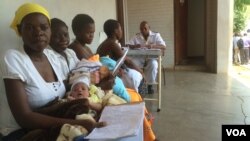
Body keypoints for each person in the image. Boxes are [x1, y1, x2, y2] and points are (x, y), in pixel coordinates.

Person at [0, 3, 105, 141]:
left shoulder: (52, 57)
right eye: (30, 28)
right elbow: (24, 118)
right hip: (22, 133)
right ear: (20, 30)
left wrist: (94, 86)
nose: (38, 32)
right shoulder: (13, 58)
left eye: (44, 27)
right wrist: (78, 123)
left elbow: (69, 84)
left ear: (49, 30)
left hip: (55, 122)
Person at [96, 19, 143, 92]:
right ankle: (136, 98)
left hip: (108, 73)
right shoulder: (112, 44)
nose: (121, 31)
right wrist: (141, 72)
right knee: (137, 76)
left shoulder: (104, 43)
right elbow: (128, 62)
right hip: (109, 76)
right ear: (116, 31)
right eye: (120, 29)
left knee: (133, 73)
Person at [126, 21, 166, 94]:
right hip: (140, 58)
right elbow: (128, 45)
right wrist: (135, 46)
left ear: (149, 28)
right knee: (133, 63)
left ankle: (150, 85)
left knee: (153, 65)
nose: (143, 30)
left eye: (145, 28)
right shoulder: (137, 36)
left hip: (152, 58)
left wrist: (153, 46)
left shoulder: (156, 35)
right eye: (141, 29)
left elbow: (163, 46)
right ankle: (138, 83)